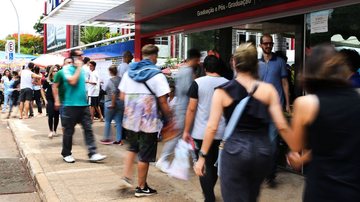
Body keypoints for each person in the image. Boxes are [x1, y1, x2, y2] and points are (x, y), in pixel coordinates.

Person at [194, 43, 292, 202]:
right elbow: (281, 125)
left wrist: (202, 156)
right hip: (262, 150)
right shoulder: (268, 90)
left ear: (234, 62)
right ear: (256, 64)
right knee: (251, 196)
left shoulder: (222, 91)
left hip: (235, 150)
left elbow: (212, 127)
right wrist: (295, 150)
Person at [286, 45, 360, 202]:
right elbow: (336, 144)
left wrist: (275, 114)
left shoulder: (306, 104)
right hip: (353, 189)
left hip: (322, 189)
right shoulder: (356, 100)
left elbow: (295, 146)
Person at [118, 44, 173, 197]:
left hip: (130, 119)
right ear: (154, 56)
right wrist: (170, 117)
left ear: (142, 55)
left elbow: (122, 96)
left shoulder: (130, 72)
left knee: (132, 148)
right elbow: (163, 101)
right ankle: (141, 187)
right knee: (145, 153)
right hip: (148, 121)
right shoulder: (158, 75)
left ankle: (127, 177)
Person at [183, 55, 228, 202]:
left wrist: (186, 130)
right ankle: (209, 195)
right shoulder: (229, 83)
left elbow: (191, 109)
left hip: (200, 133)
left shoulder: (197, 83)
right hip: (222, 132)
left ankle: (209, 197)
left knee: (202, 165)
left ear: (205, 68)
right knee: (214, 165)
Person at [53, 49, 106, 163]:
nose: (82, 57)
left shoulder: (82, 70)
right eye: (79, 55)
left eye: (82, 55)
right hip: (70, 105)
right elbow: (72, 81)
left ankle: (93, 153)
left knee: (88, 129)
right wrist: (57, 100)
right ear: (73, 57)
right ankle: (66, 153)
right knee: (69, 131)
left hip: (83, 104)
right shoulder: (66, 70)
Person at [155, 48, 201, 172]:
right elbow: (187, 89)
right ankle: (163, 160)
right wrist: (196, 85)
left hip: (182, 107)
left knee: (188, 135)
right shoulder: (187, 71)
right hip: (184, 108)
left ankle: (195, 159)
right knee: (178, 135)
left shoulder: (183, 70)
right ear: (195, 59)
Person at [259, 34, 290, 186]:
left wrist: (287, 104)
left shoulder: (280, 62)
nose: (268, 45)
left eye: (270, 43)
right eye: (266, 43)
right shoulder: (255, 64)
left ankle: (270, 175)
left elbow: (285, 83)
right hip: (258, 109)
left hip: (275, 108)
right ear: (261, 45)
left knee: (272, 142)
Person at [100, 65, 124, 145]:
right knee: (119, 122)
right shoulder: (121, 80)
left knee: (107, 121)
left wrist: (113, 103)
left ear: (110, 71)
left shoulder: (110, 81)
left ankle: (106, 138)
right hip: (120, 102)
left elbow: (113, 92)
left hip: (110, 102)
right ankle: (119, 139)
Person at [41, 65, 60, 138]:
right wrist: (45, 100)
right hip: (49, 99)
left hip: (57, 99)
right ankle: (50, 131)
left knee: (56, 116)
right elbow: (42, 90)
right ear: (51, 72)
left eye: (56, 71)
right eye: (54, 71)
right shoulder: (47, 80)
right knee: (50, 115)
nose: (55, 72)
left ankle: (55, 130)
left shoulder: (59, 80)